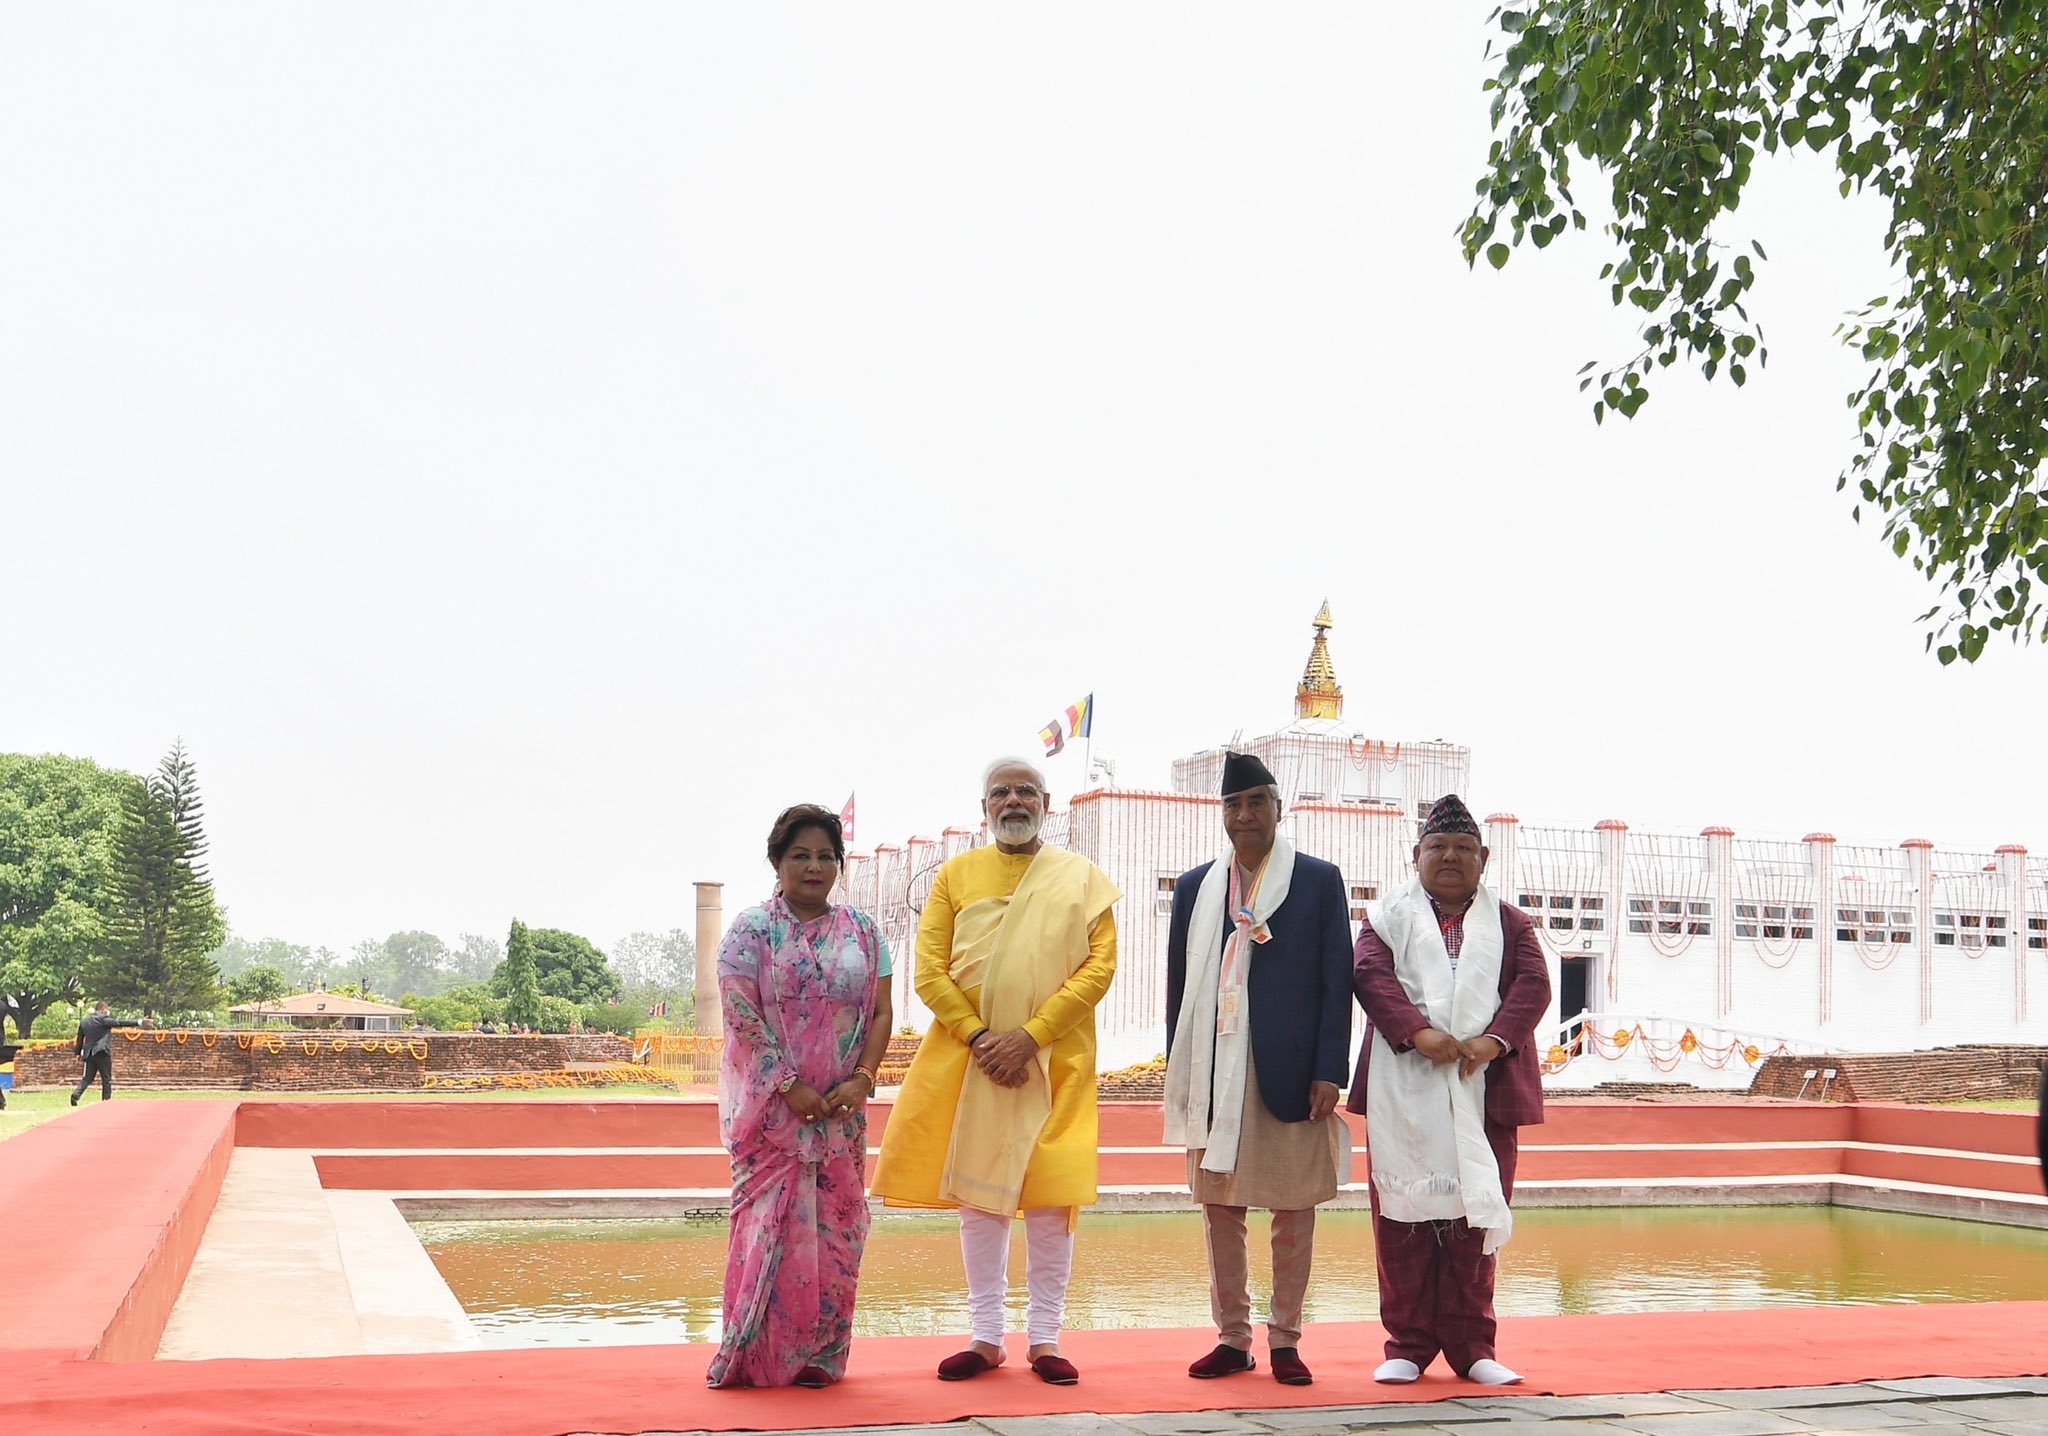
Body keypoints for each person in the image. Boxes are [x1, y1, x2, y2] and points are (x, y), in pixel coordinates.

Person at [871, 757, 1119, 1386]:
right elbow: (929, 970)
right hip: (973, 1061)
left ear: (1046, 802)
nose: (1013, 800)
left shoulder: (1080, 878)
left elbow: (1099, 969)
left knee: (1050, 1197)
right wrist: (983, 1037)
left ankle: (1045, 1338)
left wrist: (1031, 1036)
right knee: (978, 1202)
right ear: (984, 807)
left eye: (1025, 791)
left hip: (1054, 1060)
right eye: (1000, 792)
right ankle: (985, 1337)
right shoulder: (956, 875)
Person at [1164, 752, 1353, 1387]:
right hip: (1216, 1066)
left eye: (1256, 803)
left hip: (1293, 1071)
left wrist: (1331, 1068)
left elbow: (1337, 980)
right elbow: (1178, 992)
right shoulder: (1196, 888)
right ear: (1223, 814)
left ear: (1278, 808)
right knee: (1220, 1207)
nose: (1244, 816)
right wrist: (1181, 1076)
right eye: (1233, 806)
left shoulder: (1318, 881)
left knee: (1294, 1210)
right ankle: (1233, 1337)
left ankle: (1287, 1340)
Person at [1349, 795, 1550, 1387]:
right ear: (1417, 855)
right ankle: (1407, 1345)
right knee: (1402, 1216)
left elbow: (1533, 986)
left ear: (1483, 858)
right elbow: (1368, 974)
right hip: (1404, 1087)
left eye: (1464, 848)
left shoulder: (1511, 923)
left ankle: (1471, 1346)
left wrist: (1494, 1040)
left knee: (1476, 1214)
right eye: (1438, 847)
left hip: (1485, 1085)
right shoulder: (1386, 916)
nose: (1451, 857)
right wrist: (1419, 1032)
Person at [707, 803, 893, 1389]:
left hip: (841, 1112)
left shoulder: (864, 932)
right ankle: (755, 1353)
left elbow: (882, 1010)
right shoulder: (750, 930)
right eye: (799, 856)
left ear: (838, 864)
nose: (813, 867)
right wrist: (788, 1085)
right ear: (777, 862)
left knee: (839, 1231)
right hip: (771, 1117)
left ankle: (821, 1357)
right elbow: (739, 1013)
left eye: (824, 856)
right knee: (770, 1231)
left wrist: (862, 1078)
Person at [71, 1001, 144, 1105]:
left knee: (87, 1078)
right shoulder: (103, 1019)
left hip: (89, 1053)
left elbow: (80, 1039)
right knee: (106, 1078)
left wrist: (78, 1054)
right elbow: (119, 1023)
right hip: (102, 1052)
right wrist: (139, 1022)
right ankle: (106, 1102)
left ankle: (76, 1094)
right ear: (103, 1010)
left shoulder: (84, 1021)